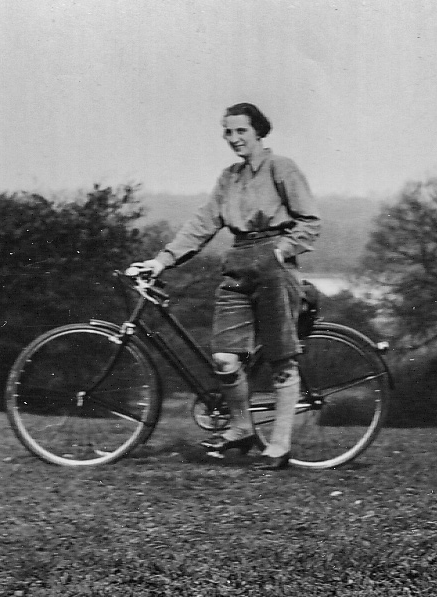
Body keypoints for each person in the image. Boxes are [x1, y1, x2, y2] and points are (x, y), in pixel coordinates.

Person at [132, 102, 320, 470]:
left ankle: (278, 446)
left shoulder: (281, 168)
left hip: (273, 263)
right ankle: (242, 428)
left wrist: (281, 252)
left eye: (241, 132)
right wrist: (162, 260)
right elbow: (203, 223)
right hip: (237, 263)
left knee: (281, 358)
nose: (234, 139)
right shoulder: (228, 178)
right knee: (224, 358)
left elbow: (309, 221)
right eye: (228, 133)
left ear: (259, 132)